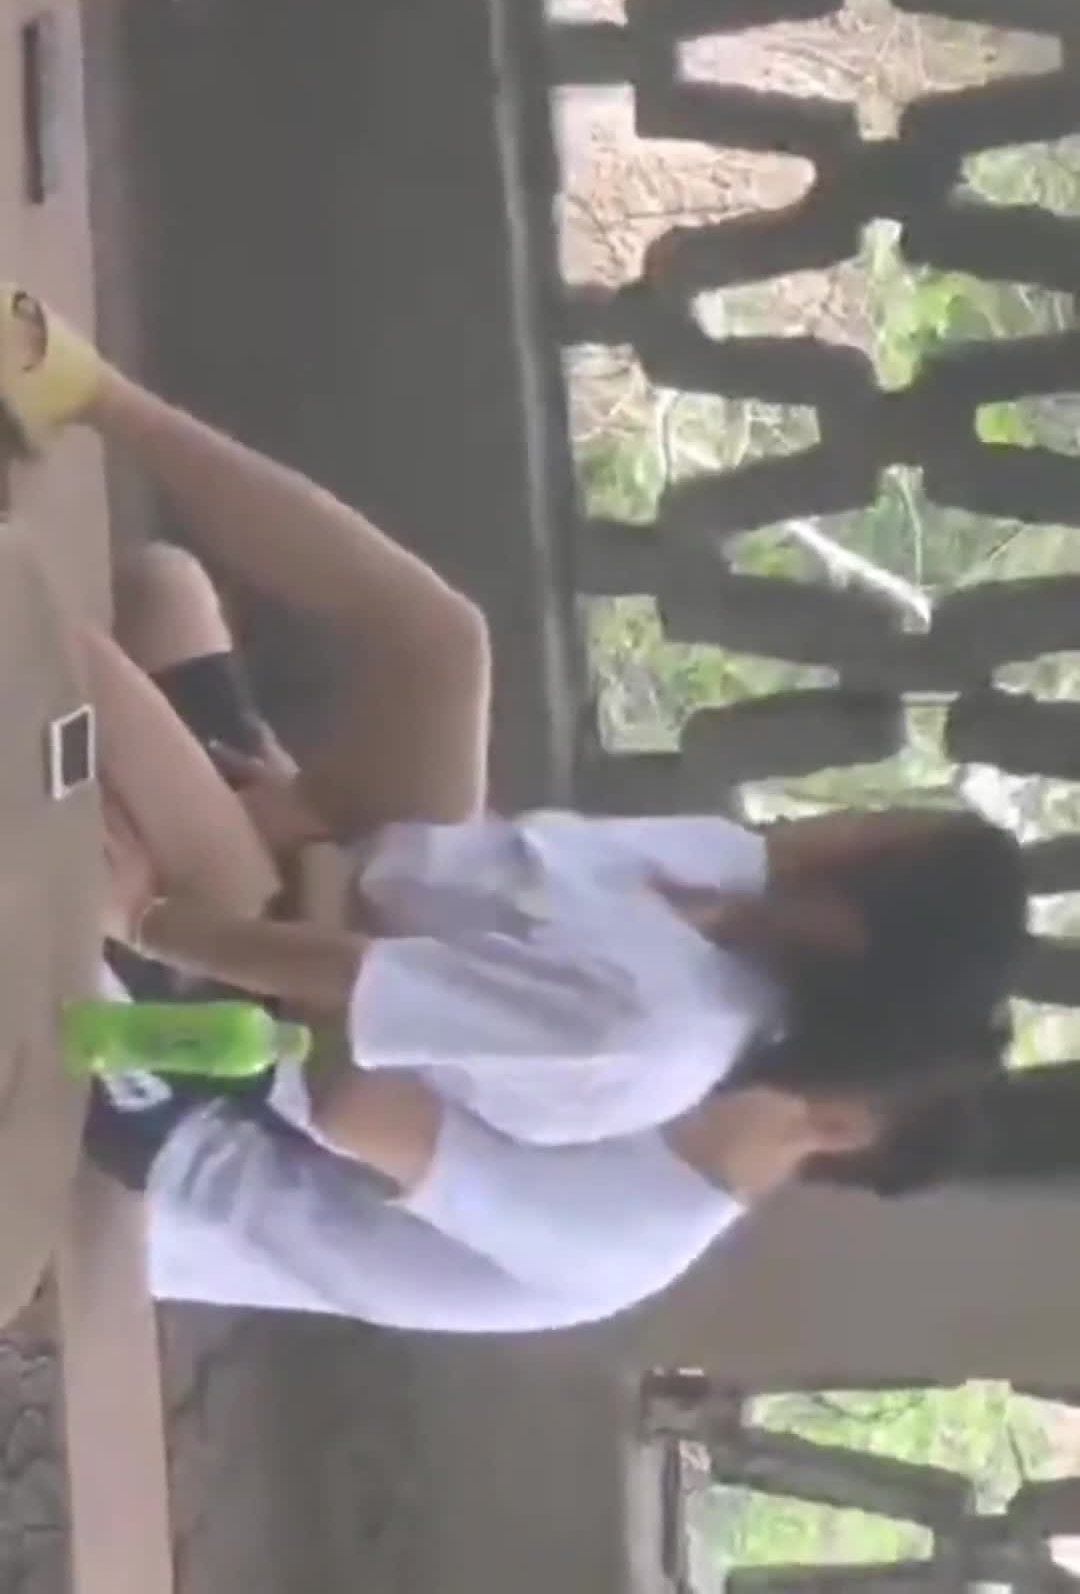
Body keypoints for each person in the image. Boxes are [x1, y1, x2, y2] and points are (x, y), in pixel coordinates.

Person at [0, 285, 1028, 1331]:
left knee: (84, 693)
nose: (847, 819)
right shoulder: (728, 886)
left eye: (876, 833)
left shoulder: (652, 1074)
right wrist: (312, 815)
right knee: (266, 611)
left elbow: (350, 1085)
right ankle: (84, 393)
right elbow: (461, 892)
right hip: (330, 919)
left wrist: (194, 902)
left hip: (217, 1087)